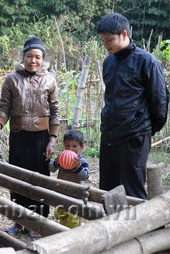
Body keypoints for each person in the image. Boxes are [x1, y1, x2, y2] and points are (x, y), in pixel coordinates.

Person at [0, 36, 60, 238]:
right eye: (29, 56)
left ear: (43, 59)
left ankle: (39, 223)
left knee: (40, 180)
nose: (33, 61)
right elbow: (4, 107)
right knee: (17, 179)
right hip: (19, 137)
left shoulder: (49, 80)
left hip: (41, 138)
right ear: (24, 57)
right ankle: (19, 222)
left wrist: (52, 140)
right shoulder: (12, 79)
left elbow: (55, 112)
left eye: (37, 57)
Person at [97, 13, 169, 200]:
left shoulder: (147, 61)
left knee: (133, 186)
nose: (106, 44)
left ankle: (143, 228)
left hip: (135, 135)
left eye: (110, 39)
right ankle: (113, 227)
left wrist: (143, 129)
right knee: (108, 187)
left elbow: (160, 102)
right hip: (110, 133)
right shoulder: (108, 62)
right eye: (103, 40)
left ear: (124, 34)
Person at [49, 130, 89, 228]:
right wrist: (56, 162)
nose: (70, 149)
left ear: (81, 147)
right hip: (61, 193)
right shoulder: (62, 158)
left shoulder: (82, 161)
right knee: (60, 216)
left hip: (75, 196)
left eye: (74, 146)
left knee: (72, 221)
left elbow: (85, 176)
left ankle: (74, 234)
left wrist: (78, 167)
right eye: (67, 146)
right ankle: (63, 233)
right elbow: (51, 169)